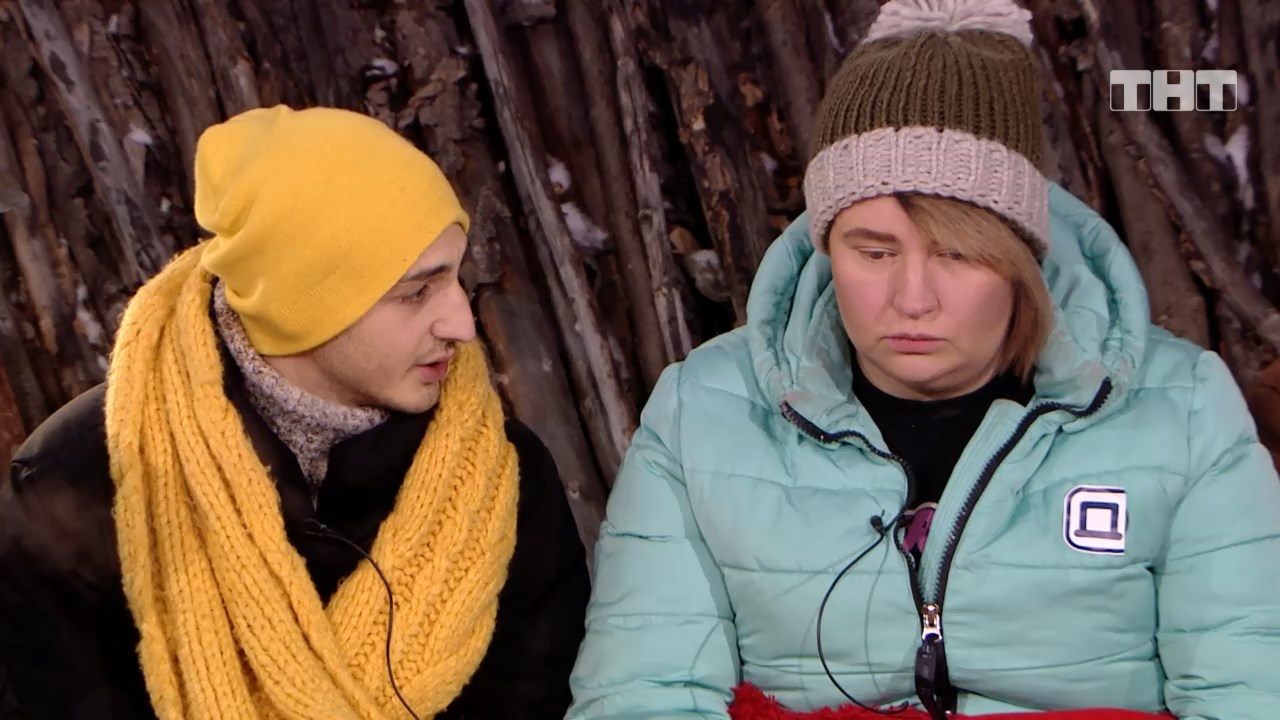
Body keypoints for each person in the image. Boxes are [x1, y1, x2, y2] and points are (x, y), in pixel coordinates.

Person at [565, 1, 1280, 718]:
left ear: (1021, 257)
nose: (912, 299)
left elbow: (1249, 691)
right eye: (874, 252)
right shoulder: (703, 415)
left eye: (958, 254)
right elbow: (643, 694)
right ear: (827, 246)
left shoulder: (1181, 411)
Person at [0, 105, 589, 719]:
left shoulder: (503, 478)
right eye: (417, 292)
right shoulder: (74, 483)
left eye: (456, 277)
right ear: (304, 309)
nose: (463, 324)